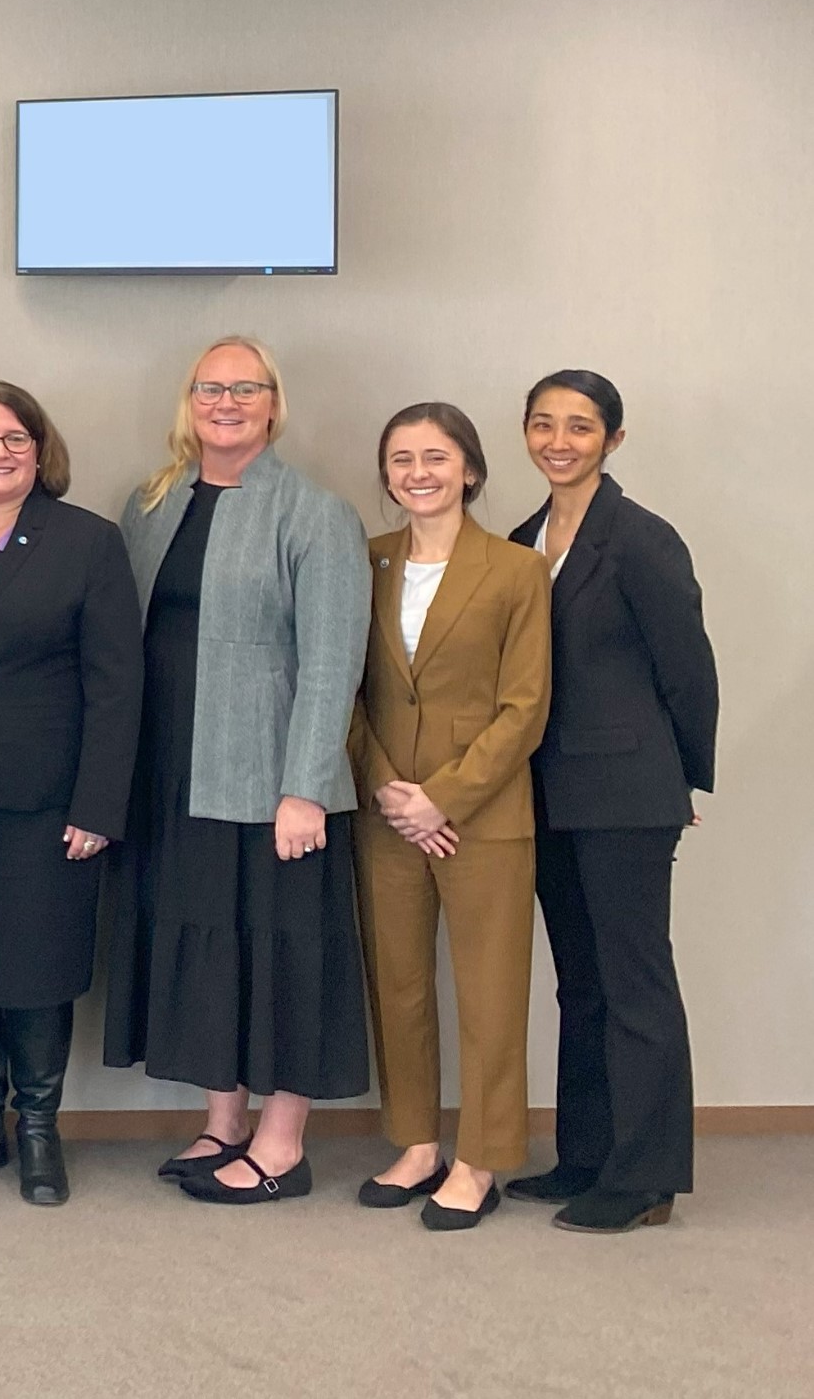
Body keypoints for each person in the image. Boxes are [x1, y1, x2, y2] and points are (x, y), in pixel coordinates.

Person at [100, 336, 371, 1205]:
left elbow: (332, 664)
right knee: (212, 951)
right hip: (175, 773)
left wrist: (305, 788)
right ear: (189, 402)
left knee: (282, 953)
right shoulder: (153, 504)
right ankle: (224, 1124)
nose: (227, 403)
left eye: (245, 388)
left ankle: (282, 1144)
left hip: (272, 784)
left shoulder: (315, 513)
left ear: (273, 403)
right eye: (210, 389)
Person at [0, 382, 140, 1207]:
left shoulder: (86, 542)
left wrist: (98, 806)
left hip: (44, 796)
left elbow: (117, 687)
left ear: (40, 452)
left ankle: (38, 1127)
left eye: (15, 438)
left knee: (37, 964)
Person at [505, 370, 716, 1234]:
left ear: (612, 440)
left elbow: (689, 669)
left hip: (628, 793)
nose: (559, 441)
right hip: (547, 793)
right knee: (580, 986)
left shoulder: (640, 539)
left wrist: (682, 779)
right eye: (543, 424)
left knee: (635, 984)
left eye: (580, 426)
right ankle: (587, 1157)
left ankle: (646, 1177)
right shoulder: (523, 539)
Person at [346, 401, 551, 1230]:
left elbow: (525, 707)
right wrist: (389, 788)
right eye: (401, 459)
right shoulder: (365, 560)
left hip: (483, 817)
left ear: (468, 468)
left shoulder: (517, 570)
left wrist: (444, 797)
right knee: (397, 985)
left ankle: (481, 1159)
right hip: (387, 813)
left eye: (435, 457)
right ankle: (417, 1143)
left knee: (490, 995)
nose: (418, 473)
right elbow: (344, 686)